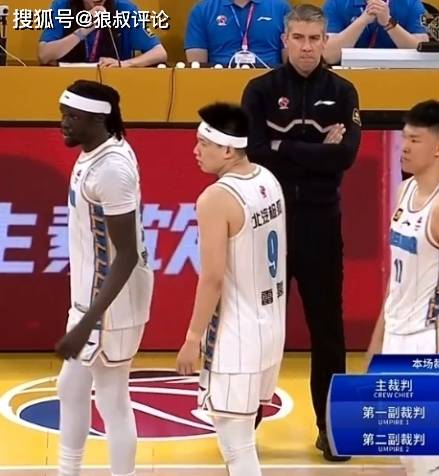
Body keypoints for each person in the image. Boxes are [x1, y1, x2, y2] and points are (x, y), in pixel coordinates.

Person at [240, 3, 360, 462]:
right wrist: (314, 150)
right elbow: (253, 153)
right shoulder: (260, 90)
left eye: (315, 39)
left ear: (325, 41)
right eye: (299, 38)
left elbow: (345, 156)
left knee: (327, 329)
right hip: (267, 226)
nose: (307, 47)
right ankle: (242, 426)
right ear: (285, 40)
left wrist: (282, 146)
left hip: (321, 224)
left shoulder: (343, 91)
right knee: (260, 328)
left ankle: (331, 428)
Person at [366, 99, 439, 476]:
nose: (405, 147)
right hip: (396, 338)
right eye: (404, 138)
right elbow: (396, 280)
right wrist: (377, 345)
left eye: (415, 140)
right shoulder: (404, 191)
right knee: (408, 456)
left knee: (434, 462)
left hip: (431, 341)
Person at [175, 102, 287, 476]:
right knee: (242, 442)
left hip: (238, 337)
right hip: (270, 327)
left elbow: (212, 278)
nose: (195, 150)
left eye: (203, 143)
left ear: (227, 149)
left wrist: (192, 338)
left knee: (237, 449)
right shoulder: (268, 179)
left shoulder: (216, 198)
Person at [54, 79, 154, 476]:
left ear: (98, 120)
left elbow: (126, 255)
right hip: (90, 300)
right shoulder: (95, 151)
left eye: (72, 117)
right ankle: (67, 471)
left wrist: (86, 323)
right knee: (70, 388)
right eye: (63, 114)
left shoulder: (111, 170)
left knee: (112, 400)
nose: (63, 123)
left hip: (112, 307)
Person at [38, 0, 167, 67]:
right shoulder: (62, 6)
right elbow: (44, 55)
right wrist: (83, 30)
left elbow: (159, 53)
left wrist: (125, 64)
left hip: (113, 80)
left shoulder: (125, 9)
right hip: (69, 81)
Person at [185, 0, 291, 68]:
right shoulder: (202, 10)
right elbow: (197, 66)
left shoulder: (280, 8)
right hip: (218, 80)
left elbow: (290, 62)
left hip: (270, 82)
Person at [321, 0, 430, 64]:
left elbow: (422, 52)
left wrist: (389, 23)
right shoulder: (336, 3)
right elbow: (329, 56)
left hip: (401, 75)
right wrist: (362, 21)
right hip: (348, 75)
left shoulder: (412, 3)